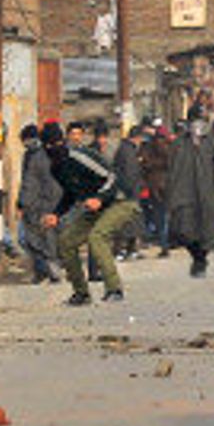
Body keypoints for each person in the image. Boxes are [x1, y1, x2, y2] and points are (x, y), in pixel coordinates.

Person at [43, 121, 141, 305]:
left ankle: (114, 289)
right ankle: (81, 293)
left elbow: (112, 177)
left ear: (62, 142)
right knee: (66, 242)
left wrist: (100, 198)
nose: (53, 149)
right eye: (48, 146)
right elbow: (70, 194)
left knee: (97, 237)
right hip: (96, 207)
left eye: (56, 144)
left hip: (121, 200)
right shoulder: (56, 168)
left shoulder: (79, 157)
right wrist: (56, 214)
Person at [164, 108, 214, 278]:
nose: (198, 124)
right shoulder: (178, 144)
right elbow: (171, 168)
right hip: (184, 192)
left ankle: (200, 260)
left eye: (201, 120)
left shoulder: (212, 142)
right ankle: (197, 256)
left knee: (205, 230)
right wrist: (170, 191)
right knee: (184, 231)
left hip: (206, 192)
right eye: (195, 120)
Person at [17, 122, 64, 284]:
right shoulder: (66, 154)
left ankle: (47, 267)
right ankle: (51, 267)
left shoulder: (36, 157)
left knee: (30, 237)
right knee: (52, 237)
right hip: (61, 203)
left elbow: (29, 184)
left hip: (40, 204)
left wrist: (22, 204)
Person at [111, 124, 147, 260]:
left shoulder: (127, 149)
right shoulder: (128, 151)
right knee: (125, 223)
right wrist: (131, 189)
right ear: (136, 138)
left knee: (132, 223)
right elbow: (129, 173)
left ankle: (131, 249)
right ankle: (120, 250)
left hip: (129, 191)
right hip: (128, 193)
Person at [139, 120, 174, 256]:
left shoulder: (156, 149)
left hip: (158, 187)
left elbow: (145, 163)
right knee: (161, 216)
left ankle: (164, 244)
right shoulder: (168, 148)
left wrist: (148, 163)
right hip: (160, 186)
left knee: (160, 216)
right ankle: (163, 243)